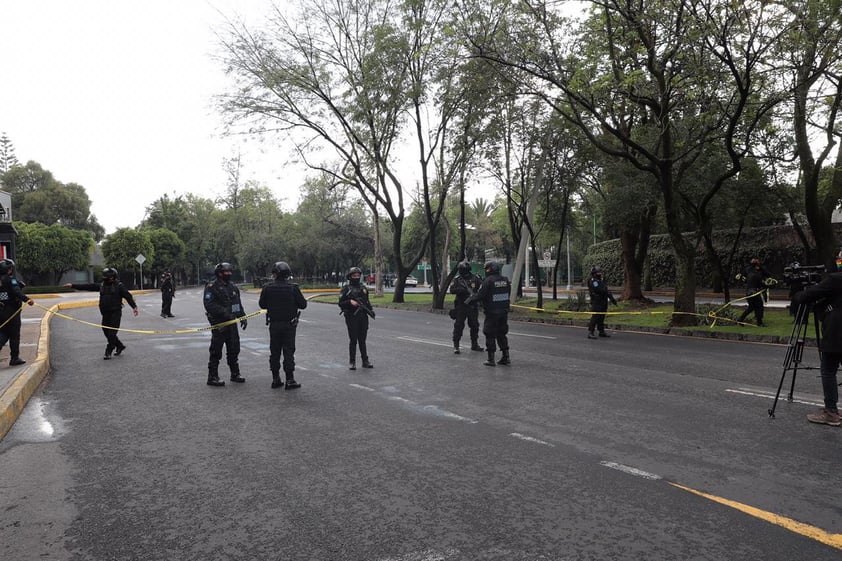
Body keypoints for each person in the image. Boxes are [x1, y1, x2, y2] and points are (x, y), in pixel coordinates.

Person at [793, 265, 842, 426]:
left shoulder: (835, 279)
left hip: (836, 333)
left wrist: (799, 292)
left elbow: (806, 296)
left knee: (828, 370)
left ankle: (831, 412)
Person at [65, 267, 139, 359]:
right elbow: (88, 286)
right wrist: (72, 285)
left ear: (113, 277)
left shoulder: (119, 286)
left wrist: (134, 307)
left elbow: (128, 297)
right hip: (105, 313)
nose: (106, 278)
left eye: (108, 277)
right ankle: (119, 346)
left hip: (115, 313)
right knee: (106, 332)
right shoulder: (102, 285)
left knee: (112, 333)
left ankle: (108, 351)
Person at [259, 261, 308, 390]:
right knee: (288, 352)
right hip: (289, 325)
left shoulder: (267, 288)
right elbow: (303, 305)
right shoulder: (293, 288)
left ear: (275, 274)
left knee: (274, 352)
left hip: (274, 324)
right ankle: (290, 379)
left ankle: (276, 379)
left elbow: (262, 305)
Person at [203, 262, 248, 387]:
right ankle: (212, 376)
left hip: (232, 324)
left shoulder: (232, 287)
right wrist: (225, 312)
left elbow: (236, 304)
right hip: (219, 324)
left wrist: (242, 316)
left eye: (229, 272)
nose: (228, 274)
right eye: (225, 272)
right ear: (219, 273)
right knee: (216, 351)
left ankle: (235, 374)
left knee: (234, 349)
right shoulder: (212, 287)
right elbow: (209, 304)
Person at [466, 261, 511, 367]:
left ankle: (491, 359)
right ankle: (506, 356)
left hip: (492, 312)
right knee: (501, 333)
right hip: (504, 311)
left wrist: (469, 300)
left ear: (489, 270)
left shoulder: (488, 281)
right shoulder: (505, 280)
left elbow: (480, 295)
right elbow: (508, 293)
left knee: (489, 333)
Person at [0, 259, 35, 366]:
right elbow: (16, 292)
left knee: (3, 332)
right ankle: (14, 358)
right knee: (14, 335)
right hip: (12, 311)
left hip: (1, 311)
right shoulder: (11, 280)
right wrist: (28, 300)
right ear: (9, 270)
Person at [338, 266, 374, 370]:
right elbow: (340, 303)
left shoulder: (363, 288)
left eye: (358, 275)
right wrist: (350, 302)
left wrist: (370, 310)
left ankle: (365, 361)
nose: (357, 277)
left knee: (362, 340)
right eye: (354, 275)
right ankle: (352, 362)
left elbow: (367, 302)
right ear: (350, 277)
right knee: (353, 339)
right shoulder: (346, 289)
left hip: (363, 316)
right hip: (351, 316)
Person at [449, 260, 483, 354]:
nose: (461, 271)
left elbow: (482, 288)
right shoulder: (457, 279)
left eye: (462, 270)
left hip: (472, 306)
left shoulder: (475, 278)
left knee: (474, 326)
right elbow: (451, 290)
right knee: (459, 326)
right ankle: (456, 345)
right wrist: (460, 290)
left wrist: (476, 297)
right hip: (461, 306)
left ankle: (474, 344)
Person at [737, 258, 772, 326]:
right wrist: (767, 286)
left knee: (751, 308)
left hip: (749, 292)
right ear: (756, 266)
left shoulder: (749, 273)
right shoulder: (756, 274)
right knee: (759, 306)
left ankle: (740, 319)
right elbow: (761, 283)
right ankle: (759, 323)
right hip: (754, 293)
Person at [587, 266, 617, 339]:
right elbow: (599, 290)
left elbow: (606, 290)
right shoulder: (593, 281)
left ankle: (601, 331)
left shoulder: (600, 281)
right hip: (596, 302)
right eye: (598, 272)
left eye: (600, 272)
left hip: (603, 301)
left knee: (602, 317)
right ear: (594, 273)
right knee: (595, 317)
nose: (599, 274)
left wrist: (612, 299)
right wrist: (606, 291)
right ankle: (591, 332)